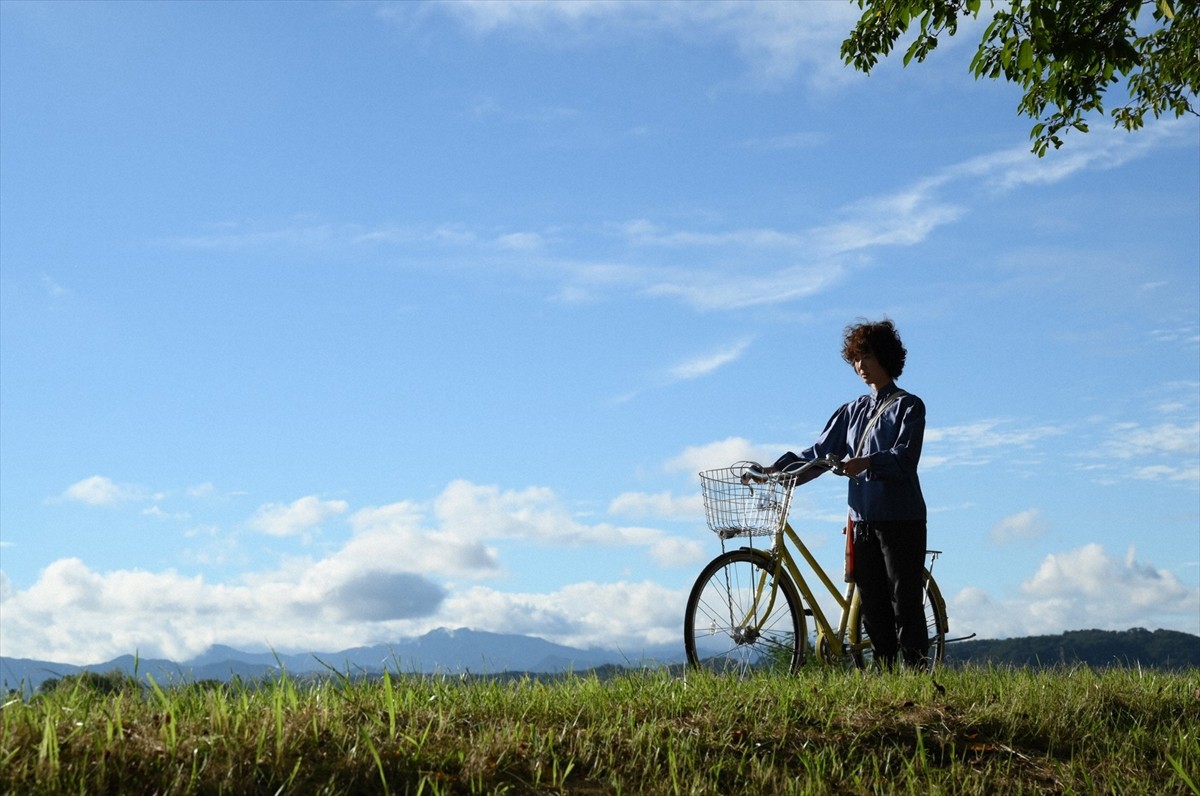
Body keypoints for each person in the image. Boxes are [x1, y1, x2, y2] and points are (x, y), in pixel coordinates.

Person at [768, 319, 929, 670]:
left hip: (901, 518)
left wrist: (867, 462)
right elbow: (820, 454)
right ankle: (884, 675)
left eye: (867, 357)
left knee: (905, 602)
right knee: (872, 604)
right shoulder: (853, 410)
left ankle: (917, 673)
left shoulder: (909, 407)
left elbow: (905, 460)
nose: (860, 366)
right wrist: (776, 471)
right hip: (862, 520)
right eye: (856, 359)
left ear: (886, 357)